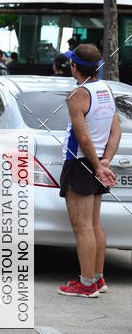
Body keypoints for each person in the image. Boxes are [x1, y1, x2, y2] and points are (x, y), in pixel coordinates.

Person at [58, 44, 121, 298]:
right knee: (94, 224)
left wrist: (97, 166)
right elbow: (115, 130)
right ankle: (97, 278)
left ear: (75, 67)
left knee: (82, 226)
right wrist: (105, 162)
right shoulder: (106, 90)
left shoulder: (78, 95)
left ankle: (85, 284)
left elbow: (83, 138)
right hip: (96, 163)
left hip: (81, 162)